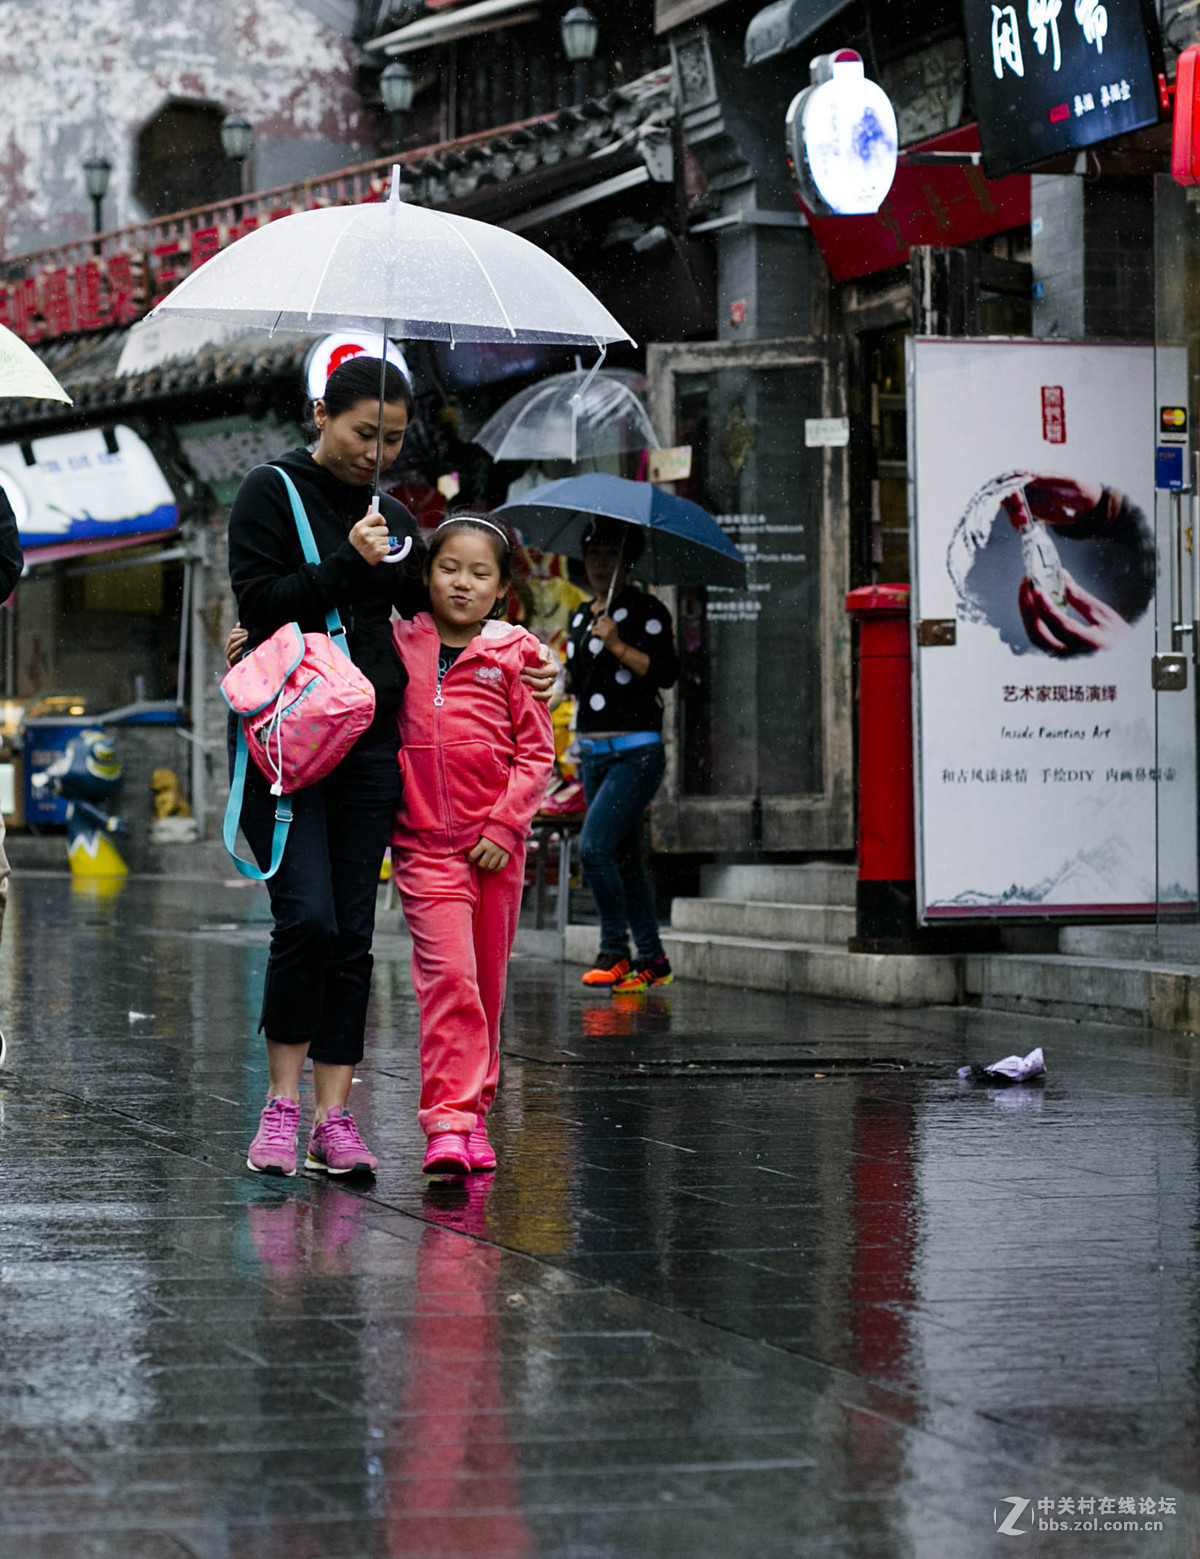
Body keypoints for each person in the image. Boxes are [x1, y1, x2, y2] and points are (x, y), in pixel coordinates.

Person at [227, 358, 555, 1179]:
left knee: (349, 933)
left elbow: (438, 611)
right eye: (363, 432)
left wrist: (532, 659)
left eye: (394, 439)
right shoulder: (269, 491)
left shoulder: (397, 514)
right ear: (320, 413)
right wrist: (346, 561)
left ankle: (335, 1119)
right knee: (303, 920)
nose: (375, 452)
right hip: (294, 749)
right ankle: (279, 1105)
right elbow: (259, 603)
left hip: (374, 752)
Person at [390, 516, 554, 1175]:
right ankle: (448, 1123)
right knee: (450, 980)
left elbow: (537, 753)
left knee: (486, 982)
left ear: (501, 589)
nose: (462, 582)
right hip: (424, 847)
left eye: (479, 573)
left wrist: (504, 827)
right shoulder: (398, 642)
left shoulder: (517, 655)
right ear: (426, 575)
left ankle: (476, 1112)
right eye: (448, 568)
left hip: (496, 851)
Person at [566, 517, 678, 994]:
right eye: (592, 555)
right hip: (593, 754)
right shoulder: (579, 617)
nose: (598, 565)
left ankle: (614, 950)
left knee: (593, 849)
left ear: (625, 562)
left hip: (637, 754)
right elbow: (578, 682)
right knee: (623, 855)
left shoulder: (647, 610)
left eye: (609, 557)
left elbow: (665, 673)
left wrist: (616, 644)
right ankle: (652, 958)